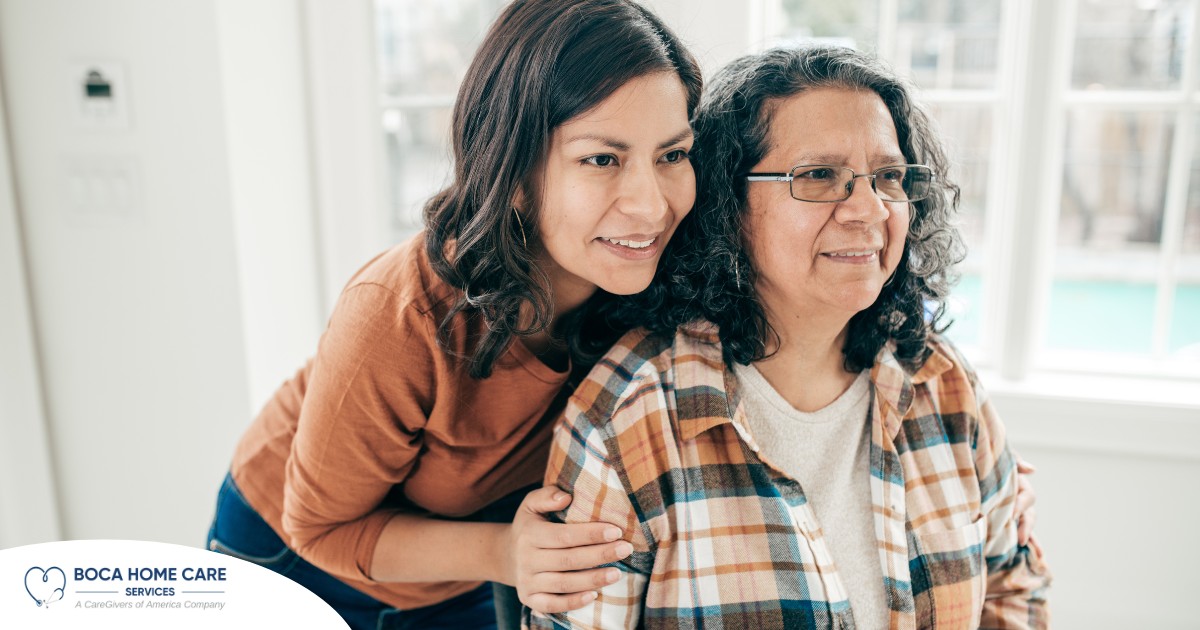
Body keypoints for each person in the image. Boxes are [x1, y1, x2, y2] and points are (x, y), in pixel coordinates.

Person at [205, 1, 702, 628]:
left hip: (463, 555)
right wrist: (503, 552)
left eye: (672, 155)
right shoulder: (399, 315)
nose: (651, 204)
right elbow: (322, 527)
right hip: (294, 552)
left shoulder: (650, 287)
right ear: (514, 172)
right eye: (601, 159)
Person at [528, 45, 1051, 630]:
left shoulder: (944, 383)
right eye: (819, 176)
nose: (869, 209)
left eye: (888, 177)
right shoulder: (626, 420)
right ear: (728, 203)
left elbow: (1014, 591)